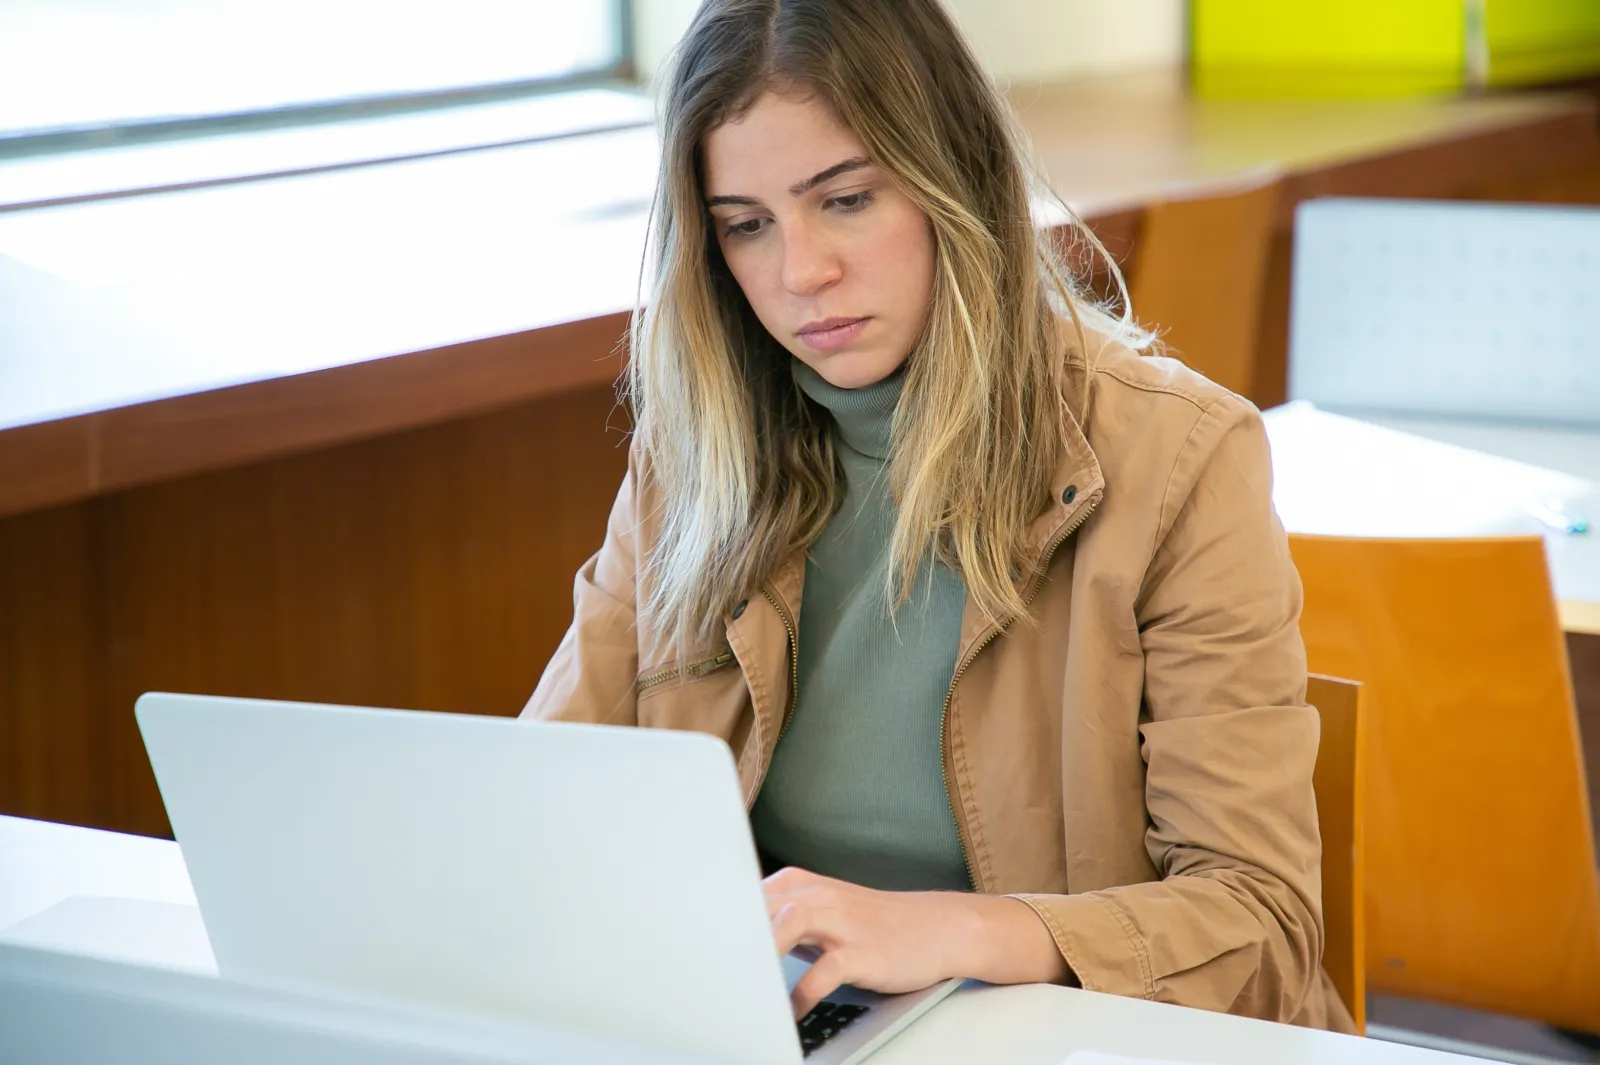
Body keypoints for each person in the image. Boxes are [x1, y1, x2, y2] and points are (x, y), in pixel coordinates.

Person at [523, 0, 1352, 1032]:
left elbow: (1259, 930)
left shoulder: (1178, 457)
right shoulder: (691, 459)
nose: (800, 273)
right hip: (791, 1024)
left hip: (1081, 1041)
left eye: (847, 200)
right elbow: (543, 807)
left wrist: (951, 931)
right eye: (745, 226)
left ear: (949, 177)